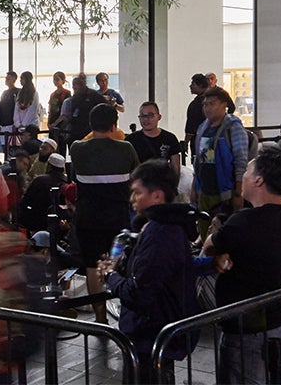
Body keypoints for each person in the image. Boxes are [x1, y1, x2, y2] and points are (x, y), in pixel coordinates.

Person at [203, 146, 281, 384]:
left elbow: (208, 247)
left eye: (247, 171)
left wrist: (218, 237)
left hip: (247, 330)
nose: (243, 177)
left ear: (258, 180)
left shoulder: (242, 222)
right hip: (280, 321)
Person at [100, 159, 196, 381]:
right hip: (154, 332)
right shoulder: (165, 227)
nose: (132, 199)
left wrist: (110, 276)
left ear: (157, 196)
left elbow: (140, 292)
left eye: (137, 193)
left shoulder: (160, 233)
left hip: (150, 333)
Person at [71, 103, 138, 323]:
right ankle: (126, 314)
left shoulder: (77, 149)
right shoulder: (125, 148)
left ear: (91, 124)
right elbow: (136, 177)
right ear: (114, 124)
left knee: (92, 265)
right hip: (118, 219)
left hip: (88, 219)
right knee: (121, 263)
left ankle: (100, 317)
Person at [192, 85, 249, 222]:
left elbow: (240, 161)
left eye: (212, 104)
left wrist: (238, 193)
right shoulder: (203, 128)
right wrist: (194, 188)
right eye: (205, 104)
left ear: (224, 105)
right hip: (204, 191)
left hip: (226, 194)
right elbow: (198, 160)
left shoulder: (233, 127)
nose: (207, 108)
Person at [130, 101, 183, 175]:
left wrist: (173, 185)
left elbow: (175, 165)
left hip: (162, 183)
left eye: (150, 115)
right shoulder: (131, 140)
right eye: (143, 116)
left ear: (159, 117)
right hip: (139, 183)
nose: (146, 119)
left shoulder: (170, 138)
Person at [183, 73, 209, 163]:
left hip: (200, 141)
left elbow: (191, 126)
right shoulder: (213, 100)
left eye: (193, 84)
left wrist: (185, 142)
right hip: (211, 140)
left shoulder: (197, 104)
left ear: (200, 85)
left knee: (201, 167)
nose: (190, 86)